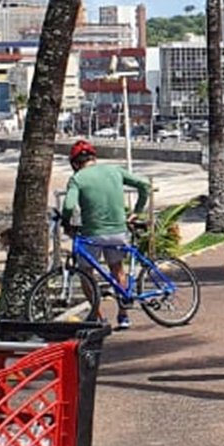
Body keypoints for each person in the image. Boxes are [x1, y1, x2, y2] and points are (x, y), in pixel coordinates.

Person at [63, 139, 150, 330]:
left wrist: (65, 222)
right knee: (117, 270)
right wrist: (137, 210)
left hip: (91, 233)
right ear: (94, 158)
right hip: (118, 231)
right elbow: (144, 185)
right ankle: (124, 315)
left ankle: (98, 317)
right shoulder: (114, 170)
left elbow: (68, 206)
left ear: (75, 163)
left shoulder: (77, 178)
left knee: (86, 273)